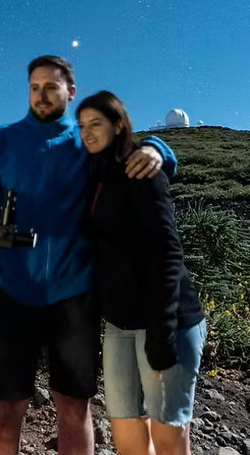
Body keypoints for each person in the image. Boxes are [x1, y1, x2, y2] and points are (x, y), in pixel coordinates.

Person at [0, 55, 177, 455]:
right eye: (34, 87)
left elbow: (131, 151)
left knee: (74, 408)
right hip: (10, 295)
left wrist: (160, 148)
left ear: (71, 92)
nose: (41, 95)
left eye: (51, 87)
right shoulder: (1, 141)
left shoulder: (86, 140)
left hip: (74, 299)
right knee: (6, 409)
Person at [77, 90, 206, 455]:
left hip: (167, 322)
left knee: (167, 439)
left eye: (96, 124)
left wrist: (162, 335)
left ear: (119, 125)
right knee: (126, 433)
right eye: (82, 125)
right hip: (119, 325)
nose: (87, 132)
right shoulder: (92, 176)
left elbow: (168, 255)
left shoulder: (141, 171)